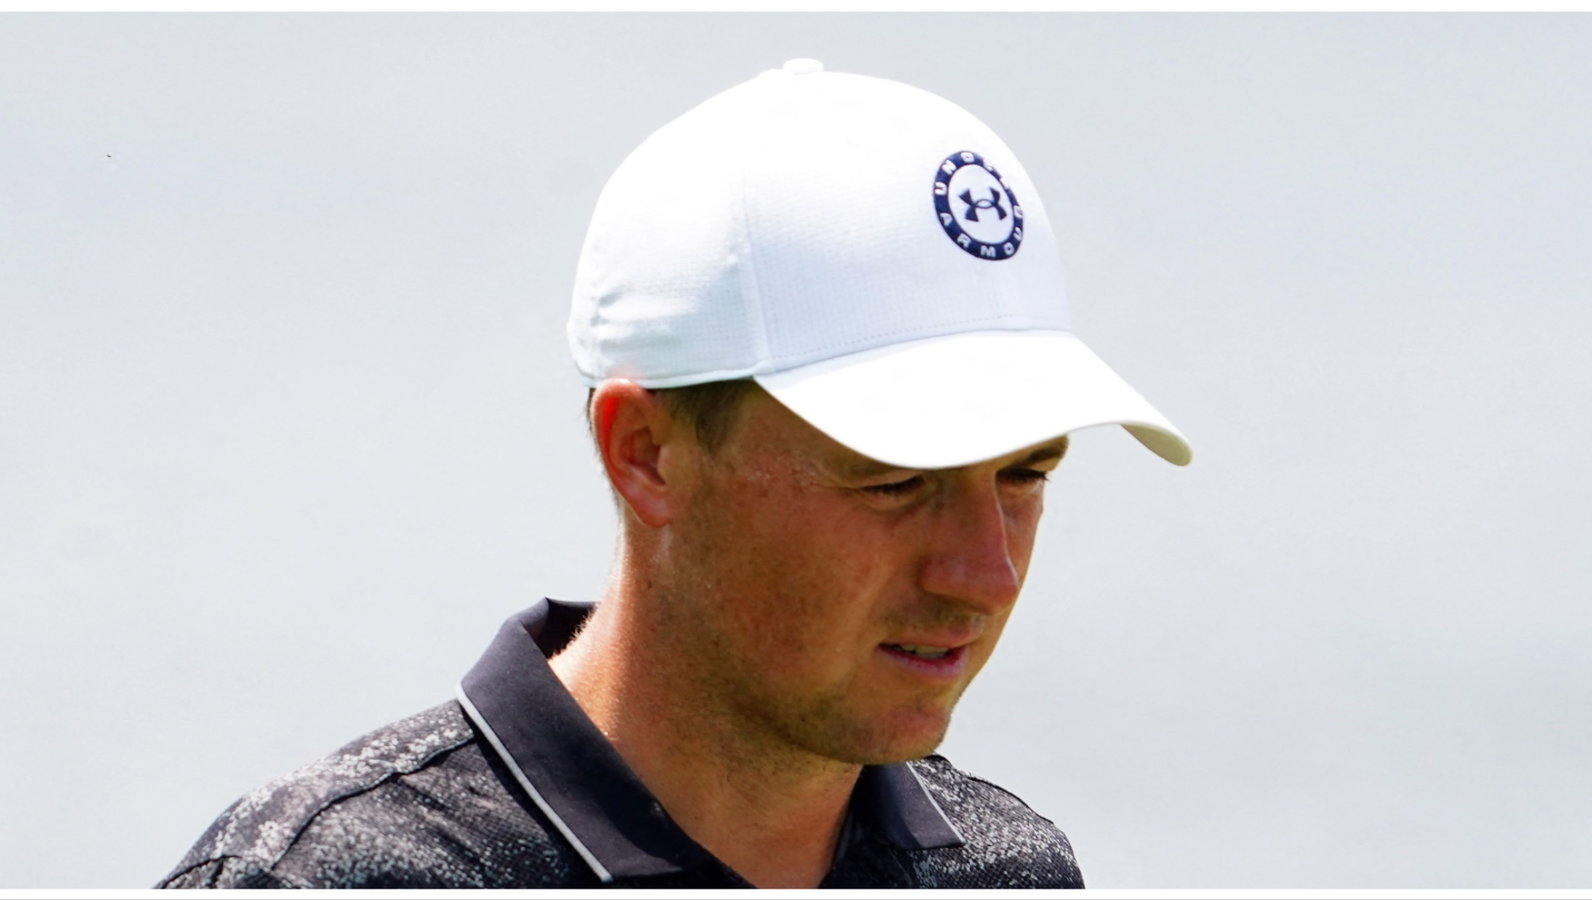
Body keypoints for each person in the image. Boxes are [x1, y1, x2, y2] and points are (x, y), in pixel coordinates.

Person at [158, 58, 1191, 890]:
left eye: (1024, 475)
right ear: (647, 453)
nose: (985, 575)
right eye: (894, 482)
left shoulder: (1010, 871)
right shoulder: (328, 881)